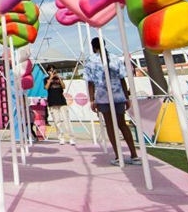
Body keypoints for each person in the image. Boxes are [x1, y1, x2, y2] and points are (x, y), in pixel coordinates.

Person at [84, 38, 139, 166]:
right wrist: (126, 96)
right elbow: (122, 79)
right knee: (122, 124)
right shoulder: (115, 58)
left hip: (103, 97)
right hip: (118, 95)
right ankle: (134, 155)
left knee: (110, 125)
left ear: (93, 47)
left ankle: (118, 156)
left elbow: (90, 82)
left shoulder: (91, 60)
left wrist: (92, 99)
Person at [45, 66, 75, 145]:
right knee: (57, 121)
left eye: (53, 70)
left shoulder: (59, 78)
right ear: (48, 71)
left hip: (62, 101)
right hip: (52, 102)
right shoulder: (46, 79)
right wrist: (51, 78)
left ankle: (71, 138)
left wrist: (59, 78)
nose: (52, 71)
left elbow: (63, 87)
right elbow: (46, 87)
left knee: (66, 120)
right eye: (50, 70)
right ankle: (61, 138)